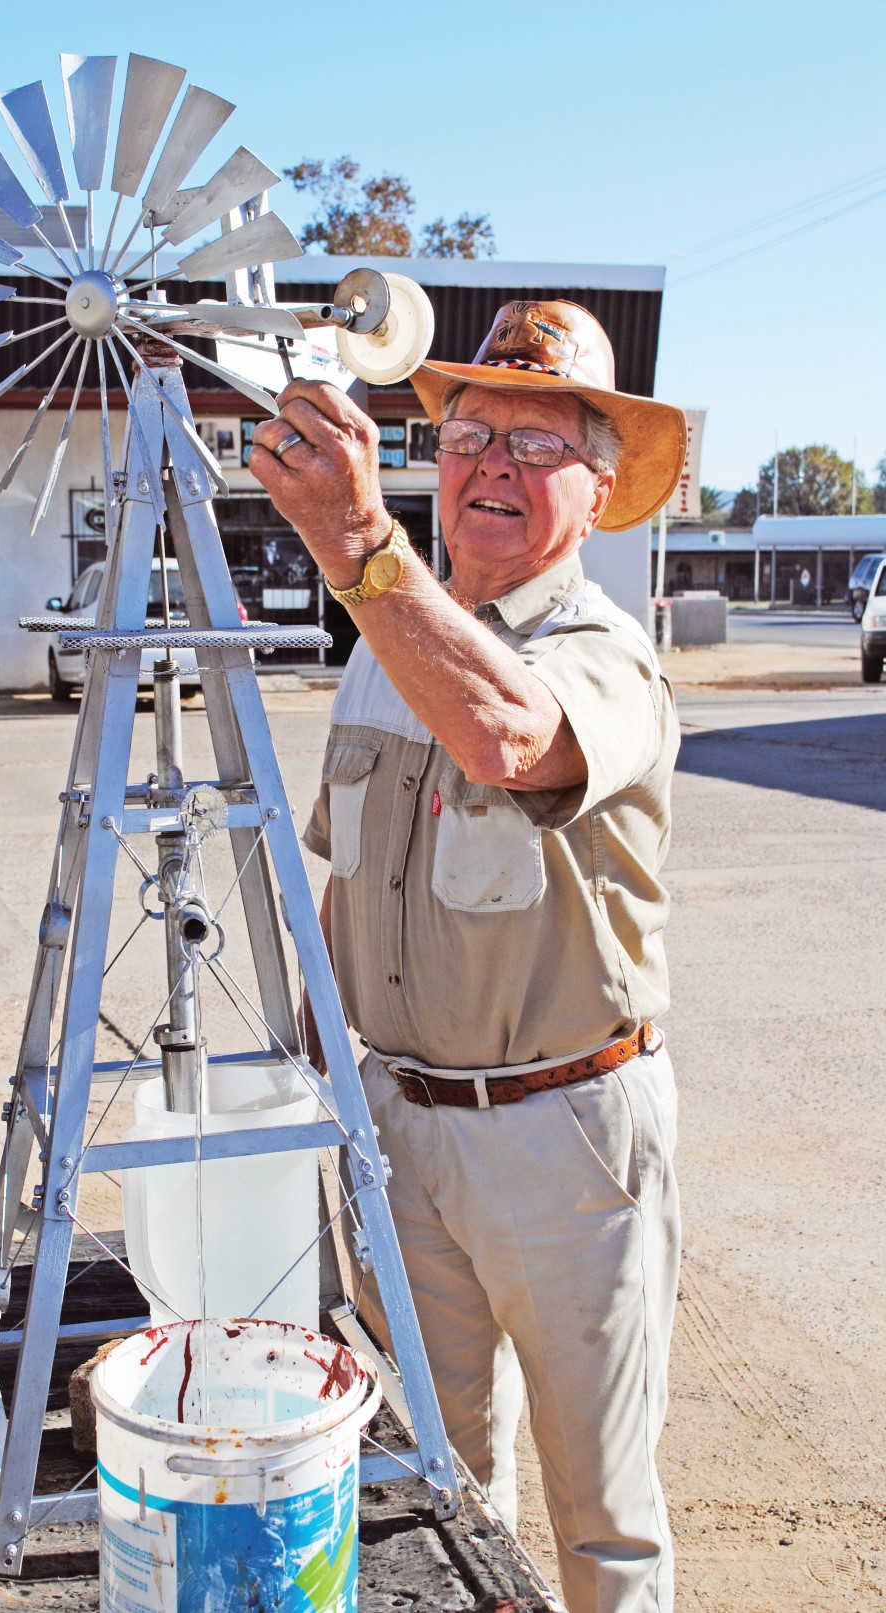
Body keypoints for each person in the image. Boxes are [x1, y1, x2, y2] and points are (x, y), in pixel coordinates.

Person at [248, 299, 687, 1613]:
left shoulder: (606, 654)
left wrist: (355, 543)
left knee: (601, 1516)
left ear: (599, 494)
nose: (493, 463)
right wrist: (312, 1091)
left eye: (538, 445)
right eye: (471, 434)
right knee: (433, 1483)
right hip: (398, 1124)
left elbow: (508, 737)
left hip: (562, 1141)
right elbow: (345, 889)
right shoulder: (386, 646)